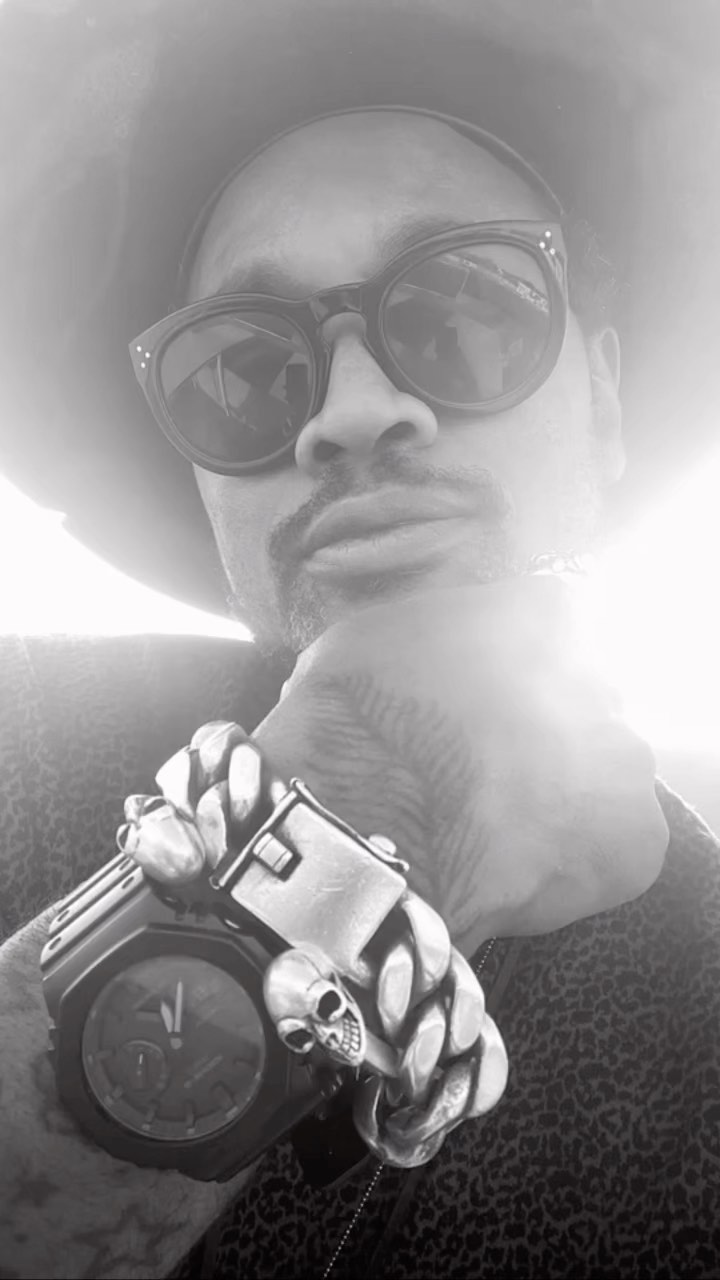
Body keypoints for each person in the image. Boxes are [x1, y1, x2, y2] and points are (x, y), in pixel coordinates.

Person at [0, 3, 719, 1278]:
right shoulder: (19, 744)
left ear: (603, 400)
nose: (353, 410)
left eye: (465, 308)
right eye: (241, 367)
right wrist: (346, 810)